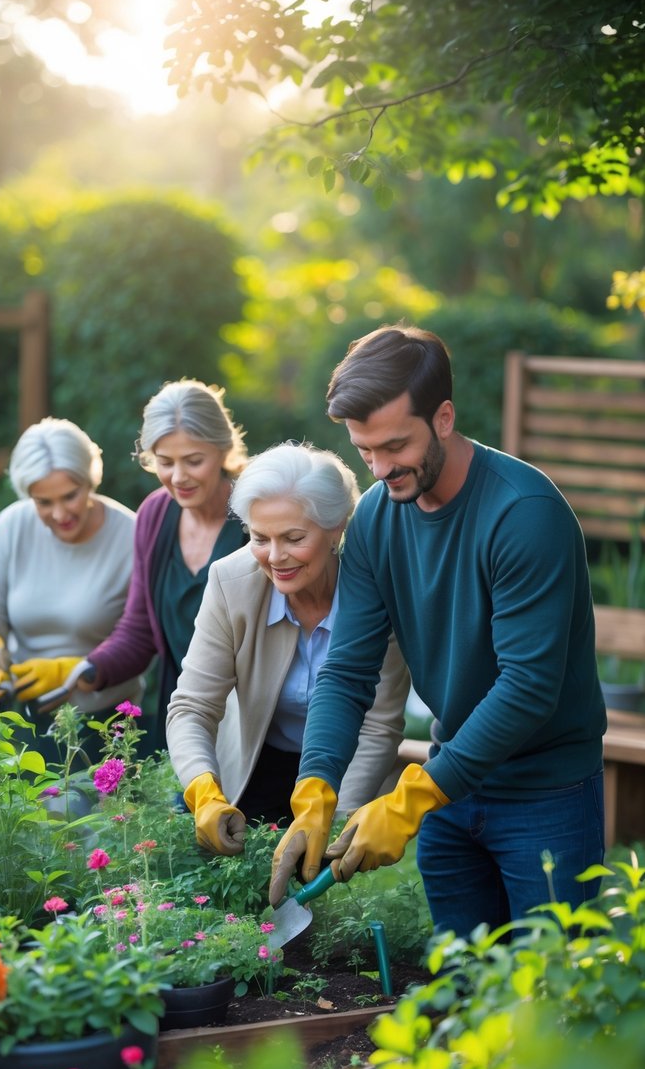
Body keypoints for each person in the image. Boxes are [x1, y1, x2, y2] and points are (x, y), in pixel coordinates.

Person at [269, 324, 606, 938]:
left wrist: (410, 800)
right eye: (364, 449)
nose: (377, 467)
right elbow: (347, 670)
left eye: (394, 445)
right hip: (452, 783)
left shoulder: (523, 515)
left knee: (554, 1009)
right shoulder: (376, 518)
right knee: (464, 993)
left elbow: (529, 685)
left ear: (444, 418)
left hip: (544, 793)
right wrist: (315, 785)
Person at [167, 442, 410, 859]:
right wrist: (204, 791)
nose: (276, 557)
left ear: (337, 527)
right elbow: (192, 707)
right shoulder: (230, 582)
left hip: (340, 773)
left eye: (294, 538)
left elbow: (377, 727)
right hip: (252, 765)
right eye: (260, 538)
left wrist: (338, 819)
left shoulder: (378, 593)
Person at [72, 379, 250, 751]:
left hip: (252, 726)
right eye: (164, 462)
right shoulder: (155, 514)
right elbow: (140, 629)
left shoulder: (255, 513)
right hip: (185, 723)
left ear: (223, 449)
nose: (178, 477)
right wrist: (87, 670)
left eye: (193, 461)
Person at [0, 417, 143, 763]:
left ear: (90, 480)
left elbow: (142, 638)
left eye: (70, 496)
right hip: (26, 718)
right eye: (43, 502)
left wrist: (76, 670)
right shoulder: (13, 525)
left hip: (107, 726)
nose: (60, 514)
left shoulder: (132, 536)